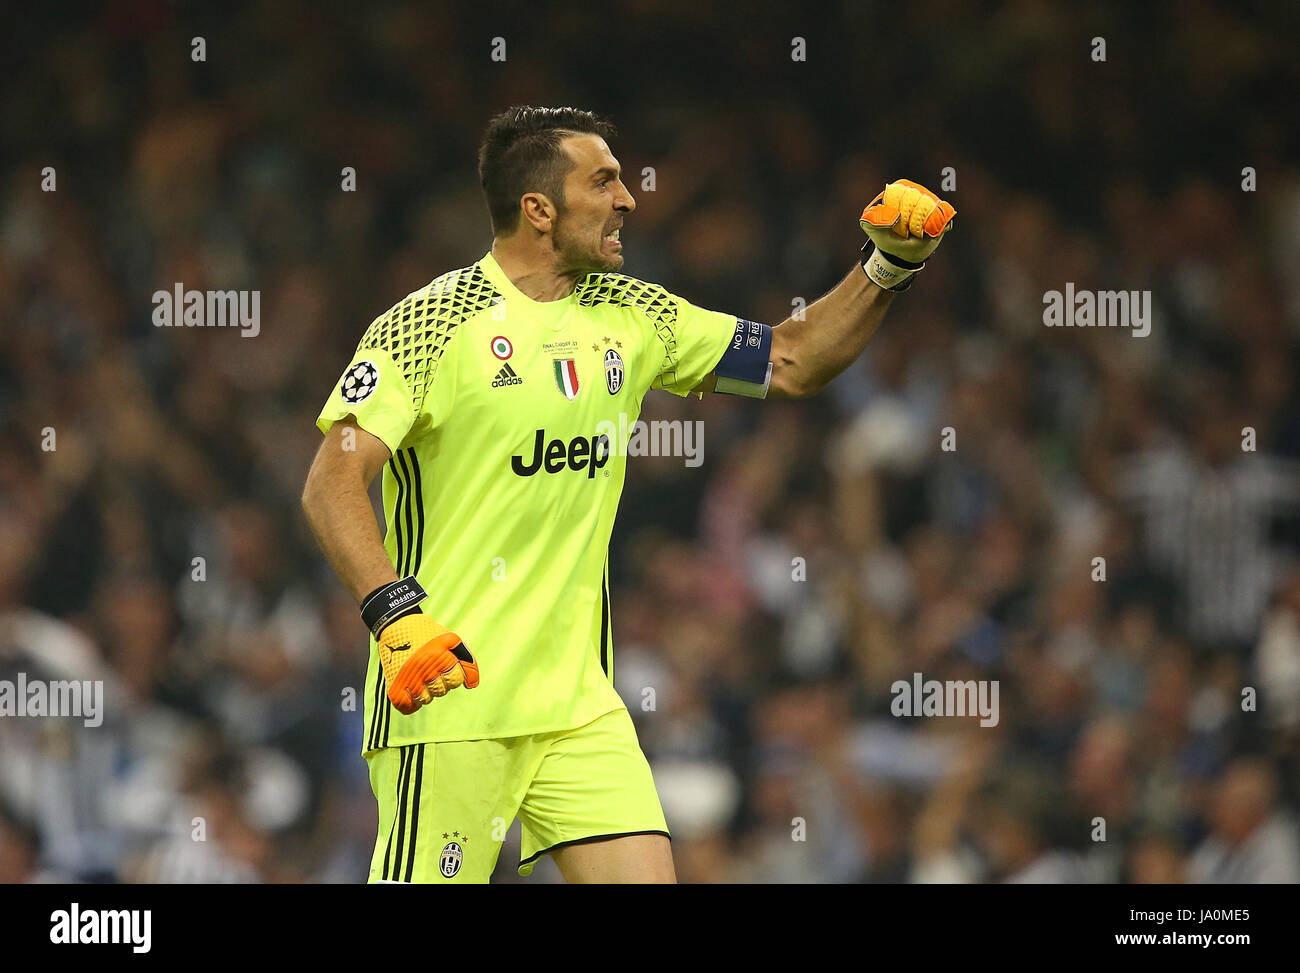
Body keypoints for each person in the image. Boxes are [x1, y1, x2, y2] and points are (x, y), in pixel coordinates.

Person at [300, 105, 954, 883]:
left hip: (579, 706)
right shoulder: (430, 325)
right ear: (538, 208)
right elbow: (331, 479)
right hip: (450, 695)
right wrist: (394, 618)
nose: (630, 198)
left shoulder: (633, 313)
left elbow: (789, 360)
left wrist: (884, 266)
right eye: (603, 180)